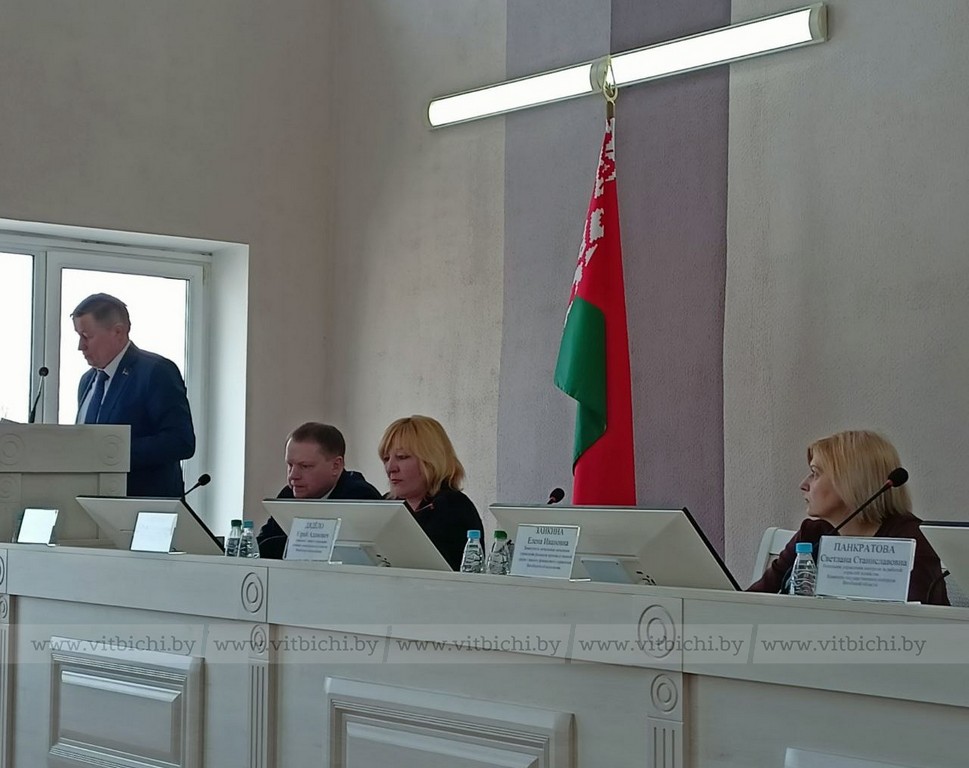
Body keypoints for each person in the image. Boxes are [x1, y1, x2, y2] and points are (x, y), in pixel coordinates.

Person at [748, 430, 949, 605]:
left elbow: (920, 623)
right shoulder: (812, 534)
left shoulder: (911, 540)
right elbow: (753, 601)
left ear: (850, 482)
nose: (804, 485)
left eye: (815, 473)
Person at [72, 293, 195, 498]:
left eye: (87, 336)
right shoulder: (87, 381)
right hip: (89, 501)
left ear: (118, 332)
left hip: (142, 505)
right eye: (78, 336)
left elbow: (181, 442)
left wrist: (112, 452)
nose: (80, 346)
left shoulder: (156, 371)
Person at [257, 422, 382, 557]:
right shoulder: (289, 494)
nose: (293, 475)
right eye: (290, 465)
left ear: (335, 466)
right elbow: (260, 549)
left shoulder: (360, 498)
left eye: (305, 466)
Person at [378, 415, 485, 570]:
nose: (390, 468)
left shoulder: (453, 507)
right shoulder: (385, 505)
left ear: (432, 460)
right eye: (386, 458)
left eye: (402, 457)